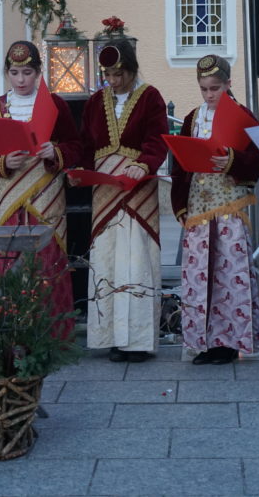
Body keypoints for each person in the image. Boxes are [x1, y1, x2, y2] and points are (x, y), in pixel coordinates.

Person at [0, 41, 84, 339]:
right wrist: (3, 161)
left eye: (28, 73)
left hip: (47, 193)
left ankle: (52, 335)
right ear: (7, 73)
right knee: (9, 258)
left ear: (38, 73)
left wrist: (55, 152)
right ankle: (9, 331)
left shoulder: (55, 105)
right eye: (15, 73)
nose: (21, 80)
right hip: (10, 196)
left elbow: (76, 147)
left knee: (48, 260)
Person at [170, 55, 259, 364]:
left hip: (229, 206)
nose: (210, 95)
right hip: (198, 207)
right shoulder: (192, 118)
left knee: (229, 275)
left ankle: (229, 343)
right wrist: (179, 204)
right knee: (200, 278)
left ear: (229, 84)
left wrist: (233, 161)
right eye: (204, 89)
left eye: (215, 88)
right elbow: (179, 166)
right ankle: (205, 342)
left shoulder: (242, 116)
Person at [79, 42, 168, 363]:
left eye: (119, 73)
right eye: (108, 74)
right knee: (106, 260)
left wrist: (143, 163)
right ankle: (111, 338)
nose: (113, 80)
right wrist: (79, 170)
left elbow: (158, 139)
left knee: (136, 260)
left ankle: (139, 340)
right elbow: (85, 144)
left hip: (138, 188)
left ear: (132, 69)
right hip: (104, 192)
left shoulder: (150, 97)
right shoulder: (93, 103)